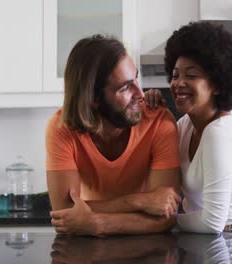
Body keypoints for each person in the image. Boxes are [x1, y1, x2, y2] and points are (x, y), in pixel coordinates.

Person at [46, 35, 182, 236]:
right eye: (126, 87)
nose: (140, 94)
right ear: (93, 99)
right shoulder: (61, 129)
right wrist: (139, 201)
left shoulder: (159, 122)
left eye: (136, 79)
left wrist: (98, 223)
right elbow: (65, 213)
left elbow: (165, 216)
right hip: (87, 250)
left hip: (147, 250)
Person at [145, 21, 232, 233]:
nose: (178, 83)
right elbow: (154, 157)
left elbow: (213, 223)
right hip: (200, 237)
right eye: (175, 75)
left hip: (228, 241)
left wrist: (167, 221)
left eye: (191, 75)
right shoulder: (186, 124)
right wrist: (149, 111)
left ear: (218, 85)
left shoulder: (219, 133)